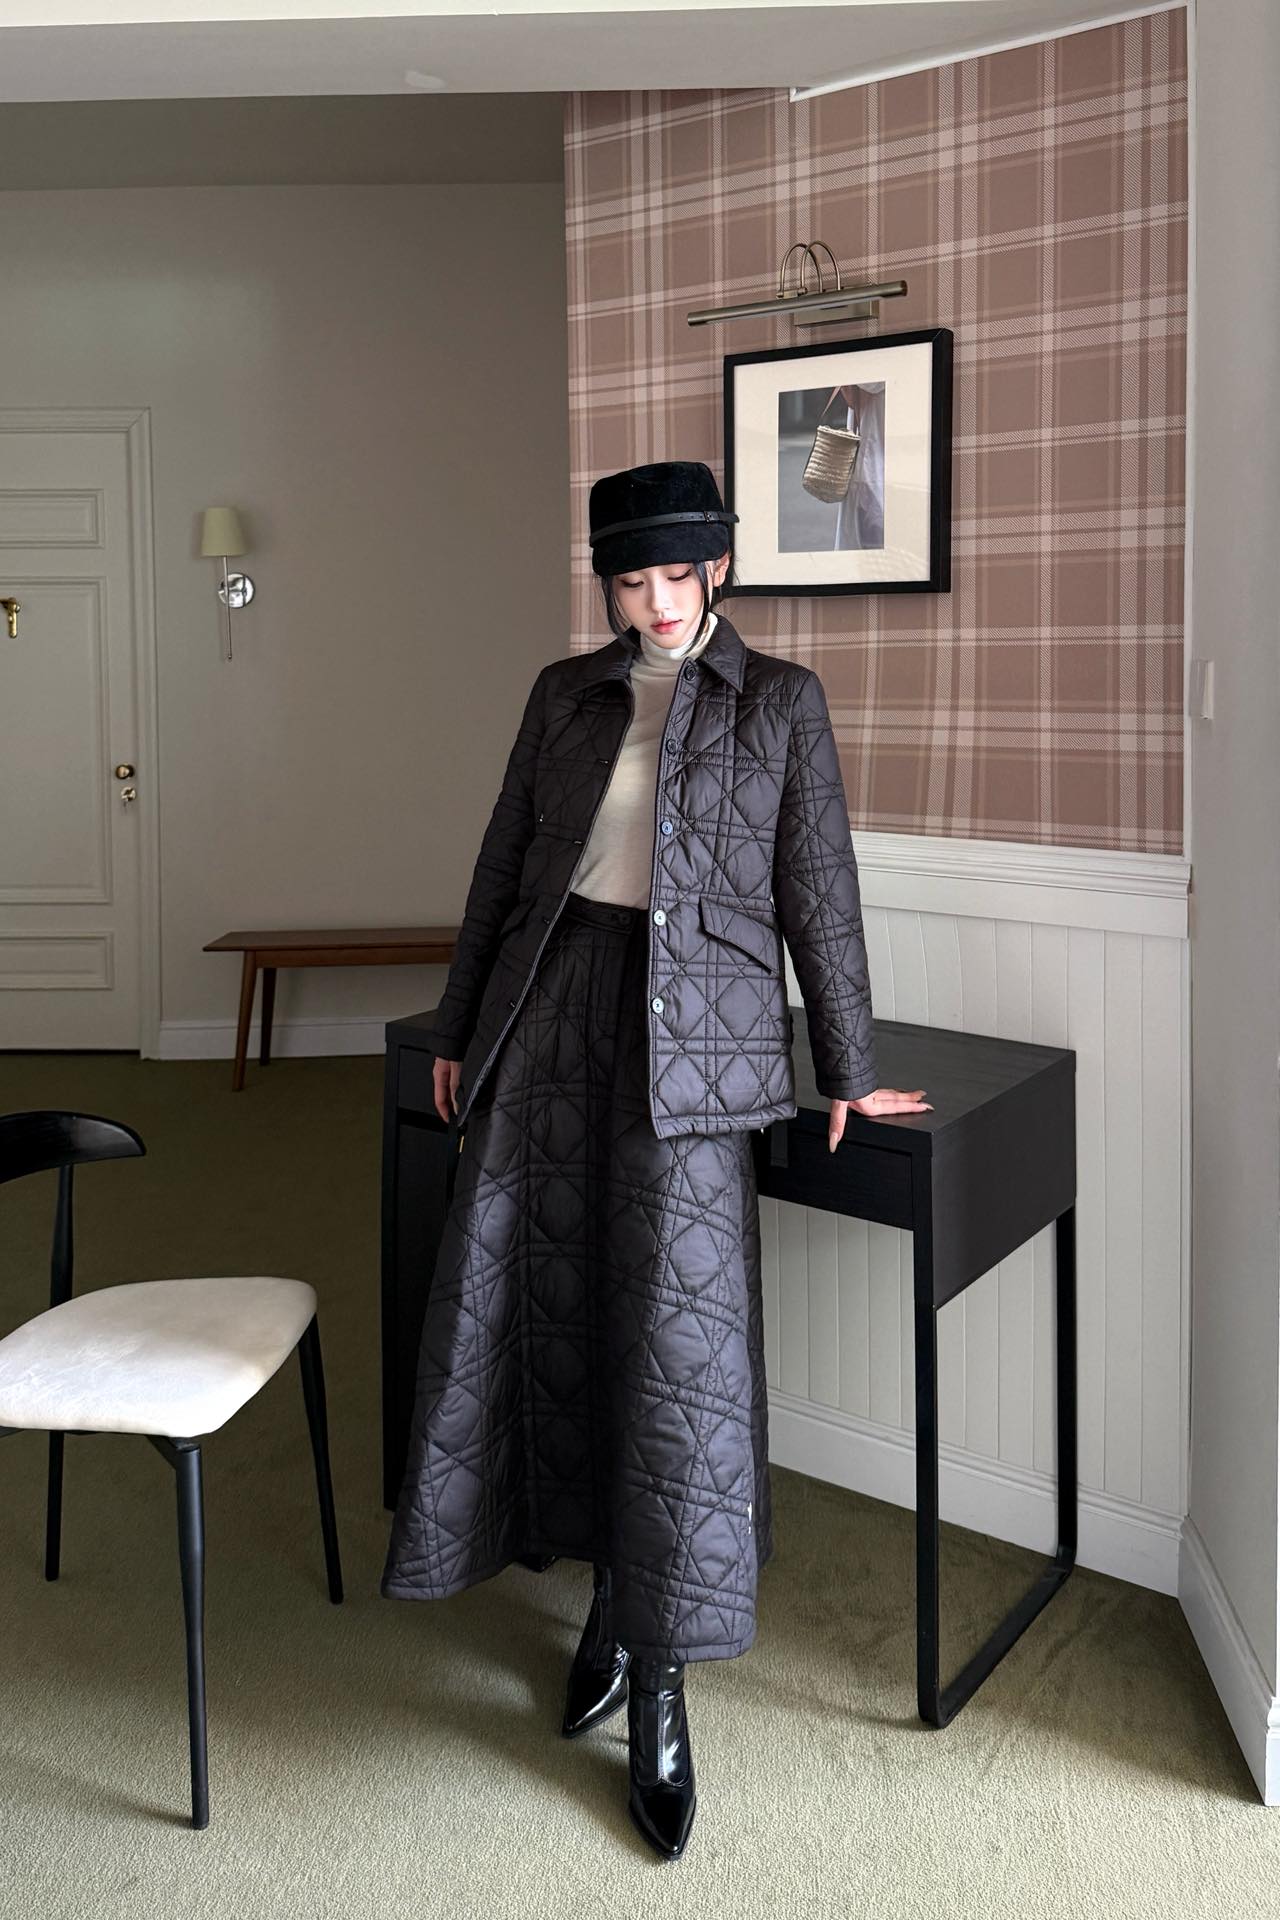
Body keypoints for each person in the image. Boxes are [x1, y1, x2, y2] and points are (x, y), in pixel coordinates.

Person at [381, 460, 930, 1861]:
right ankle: (609, 1610)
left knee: (678, 1355)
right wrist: (459, 1026)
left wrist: (849, 1069)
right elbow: (504, 866)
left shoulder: (781, 702)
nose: (656, 602)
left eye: (676, 575)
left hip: (700, 1054)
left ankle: (663, 1677)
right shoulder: (564, 695)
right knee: (553, 1316)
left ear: (719, 570)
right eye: (630, 581)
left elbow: (819, 891)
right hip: (552, 1016)